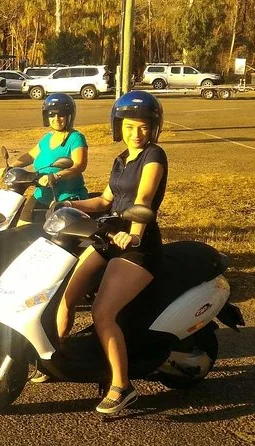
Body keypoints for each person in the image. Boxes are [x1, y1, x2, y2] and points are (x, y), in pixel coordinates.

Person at [54, 90, 168, 414]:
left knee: (102, 312)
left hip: (137, 245)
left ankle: (123, 386)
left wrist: (133, 235)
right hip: (108, 236)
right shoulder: (121, 159)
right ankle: (55, 360)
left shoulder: (154, 156)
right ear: (119, 127)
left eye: (143, 126)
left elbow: (143, 199)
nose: (136, 133)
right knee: (66, 295)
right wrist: (69, 205)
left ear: (153, 128)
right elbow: (105, 201)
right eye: (129, 126)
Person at [0, 93, 88, 225]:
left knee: (53, 232)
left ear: (69, 116)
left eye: (61, 114)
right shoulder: (47, 138)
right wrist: (11, 167)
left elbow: (79, 165)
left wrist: (57, 176)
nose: (56, 119)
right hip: (41, 195)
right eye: (52, 114)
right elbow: (30, 156)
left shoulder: (76, 138)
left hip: (65, 198)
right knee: (20, 229)